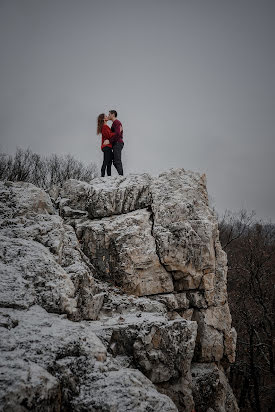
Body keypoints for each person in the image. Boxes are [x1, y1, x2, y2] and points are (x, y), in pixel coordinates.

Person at [106, 110, 124, 176]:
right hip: (116, 143)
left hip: (118, 143)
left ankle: (121, 176)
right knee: (114, 162)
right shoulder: (114, 123)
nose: (108, 116)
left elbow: (118, 134)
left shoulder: (117, 122)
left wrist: (109, 141)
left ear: (113, 114)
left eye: (109, 114)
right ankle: (121, 175)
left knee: (117, 161)